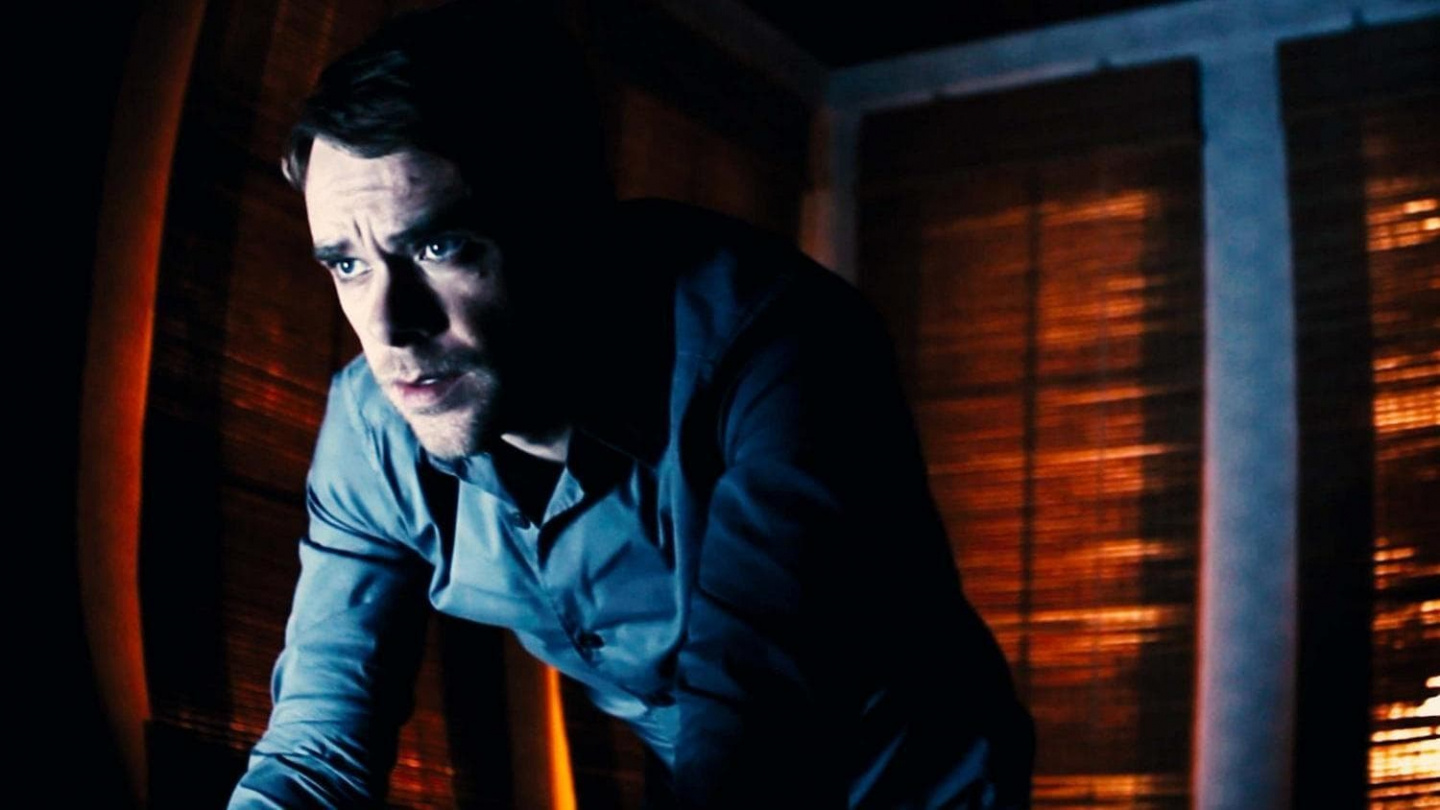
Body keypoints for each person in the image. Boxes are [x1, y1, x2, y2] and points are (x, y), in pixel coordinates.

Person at [227, 1, 1034, 807]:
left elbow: (754, 722)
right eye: (347, 265)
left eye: (440, 246)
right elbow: (316, 750)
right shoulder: (374, 430)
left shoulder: (779, 346)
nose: (389, 327)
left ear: (561, 220)